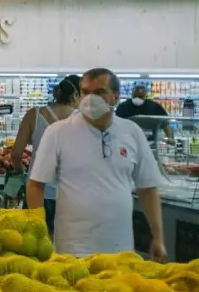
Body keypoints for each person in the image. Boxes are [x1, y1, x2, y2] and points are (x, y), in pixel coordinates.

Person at [27, 68, 167, 260]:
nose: (90, 99)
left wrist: (158, 237)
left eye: (99, 92)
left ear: (116, 97)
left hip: (120, 251)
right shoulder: (58, 132)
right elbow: (36, 185)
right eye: (85, 92)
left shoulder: (132, 132)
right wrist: (40, 234)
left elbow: (148, 188)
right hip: (72, 251)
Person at [11, 74, 80, 233]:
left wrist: (20, 173)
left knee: (35, 244)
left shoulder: (33, 115)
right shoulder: (82, 120)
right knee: (67, 250)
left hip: (36, 192)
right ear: (76, 95)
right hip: (70, 195)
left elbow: (16, 154)